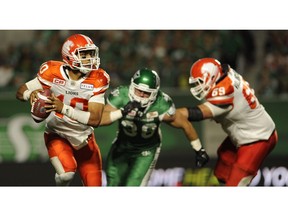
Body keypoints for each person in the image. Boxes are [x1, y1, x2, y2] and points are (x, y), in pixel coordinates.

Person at [16, 34, 110, 186]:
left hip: (85, 139)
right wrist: (30, 94)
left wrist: (63, 108)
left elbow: (95, 119)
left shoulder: (98, 79)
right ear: (69, 56)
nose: (90, 59)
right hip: (57, 134)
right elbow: (20, 91)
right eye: (84, 55)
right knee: (66, 174)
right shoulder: (51, 71)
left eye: (91, 54)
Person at [99, 68, 209, 186]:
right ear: (132, 86)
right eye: (138, 90)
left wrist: (199, 149)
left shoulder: (161, 104)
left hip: (146, 150)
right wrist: (122, 112)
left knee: (135, 185)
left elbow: (184, 124)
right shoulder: (121, 96)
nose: (141, 95)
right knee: (112, 183)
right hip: (122, 145)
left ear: (155, 93)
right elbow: (100, 120)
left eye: (146, 93)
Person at [177, 57, 278, 186]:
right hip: (247, 131)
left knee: (235, 184)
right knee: (223, 166)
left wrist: (171, 113)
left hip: (258, 137)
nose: (197, 86)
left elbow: (196, 114)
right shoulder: (224, 73)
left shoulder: (225, 90)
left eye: (200, 82)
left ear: (211, 77)